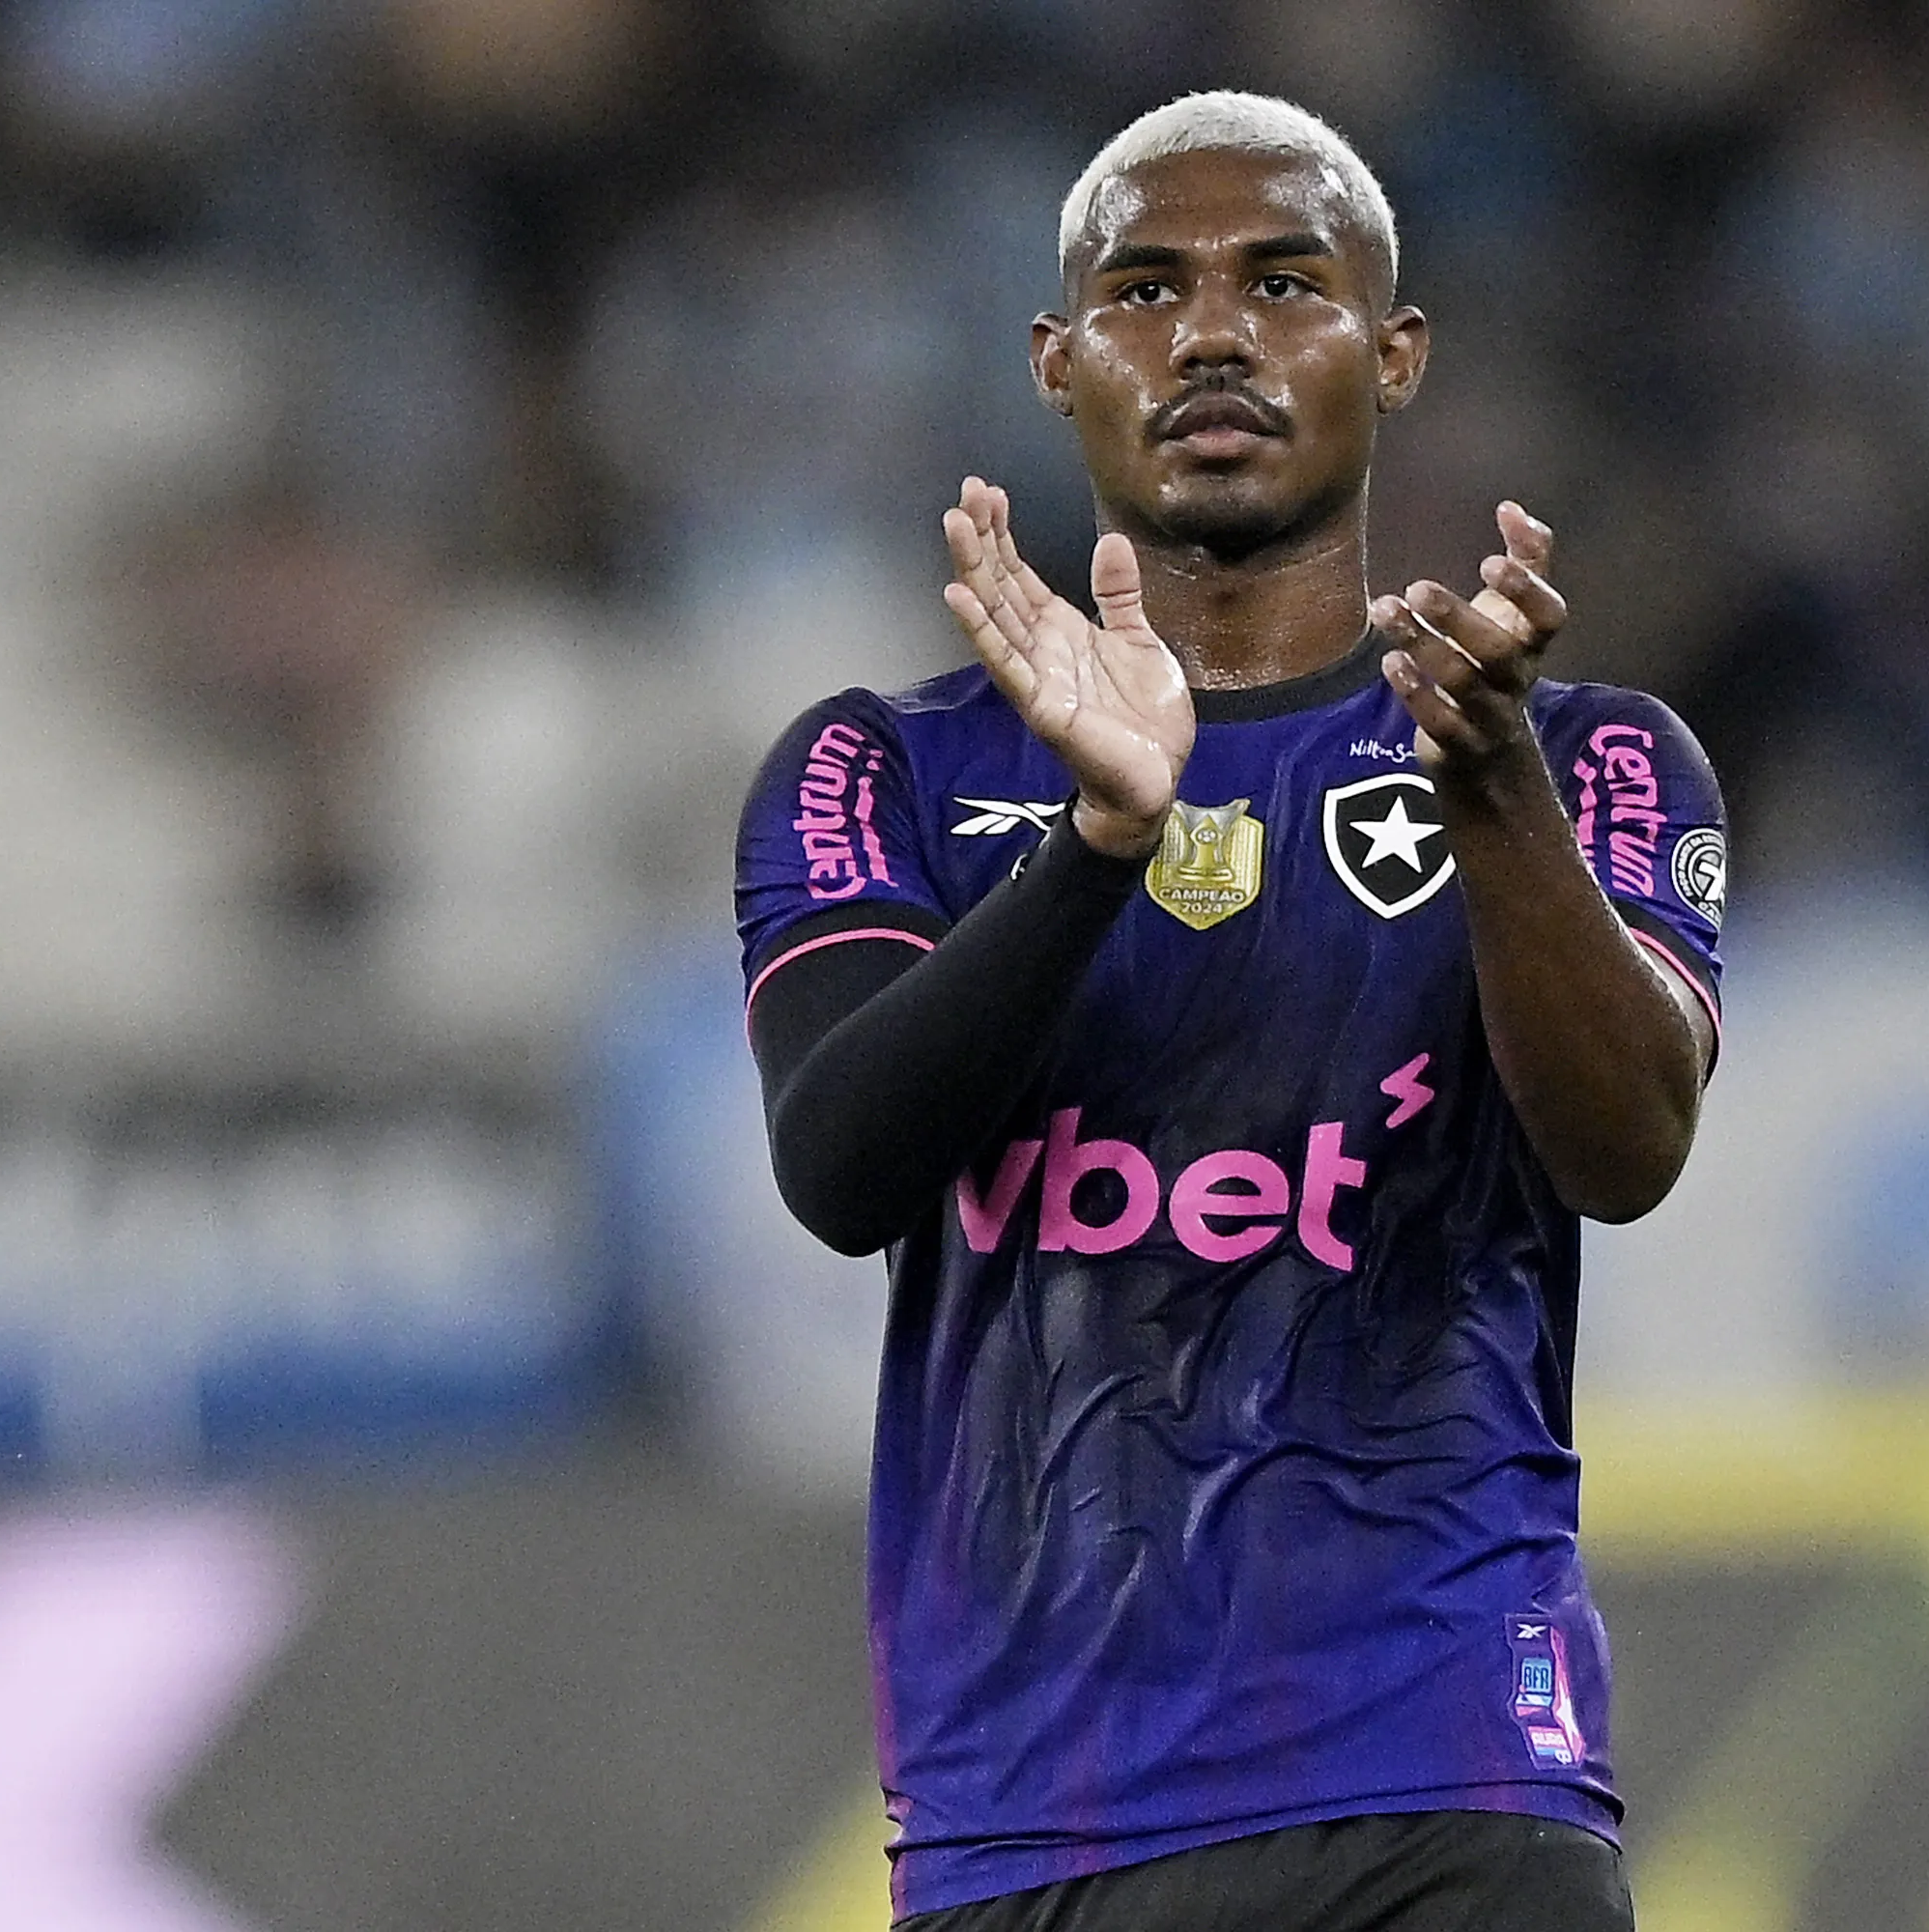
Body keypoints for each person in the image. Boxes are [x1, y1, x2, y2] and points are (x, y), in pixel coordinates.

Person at [735, 92, 1725, 1931]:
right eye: (1144, 290)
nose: (1210, 334)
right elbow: (842, 1166)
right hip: (1037, 1817)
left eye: (1286, 283)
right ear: (1056, 361)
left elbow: (1628, 1149)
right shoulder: (879, 770)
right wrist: (1103, 839)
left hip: (1449, 1778)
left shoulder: (1584, 763)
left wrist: (1494, 793)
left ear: (1396, 354)